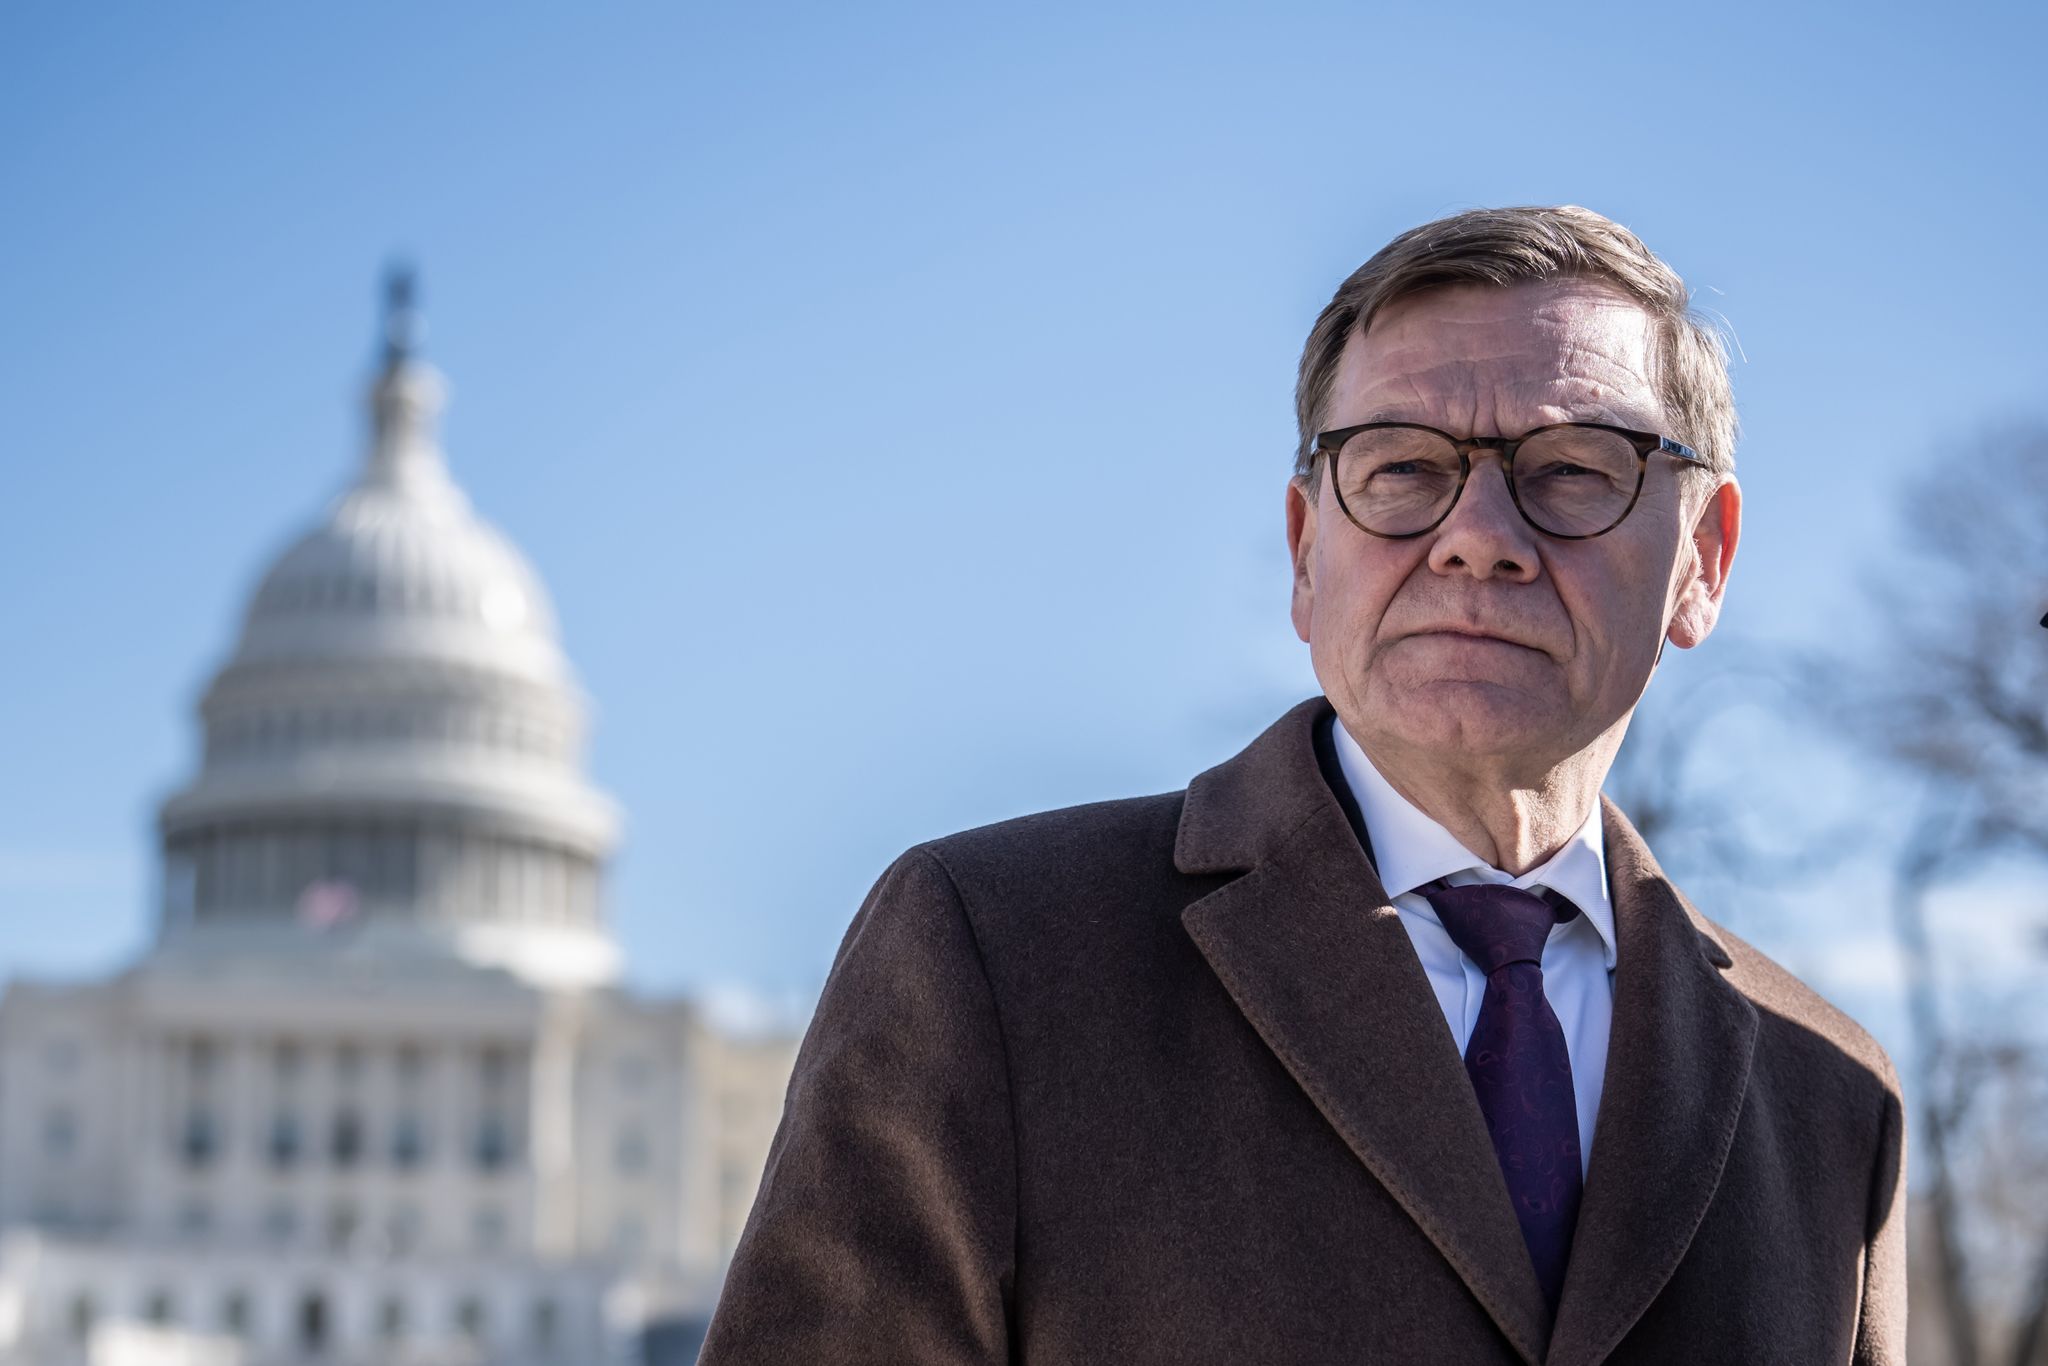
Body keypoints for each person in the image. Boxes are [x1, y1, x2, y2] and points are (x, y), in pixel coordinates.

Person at [697, 205, 1906, 1365]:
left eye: (1575, 468)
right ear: (1303, 551)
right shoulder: (991, 950)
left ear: (1702, 559)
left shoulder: (1830, 1094)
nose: (1477, 535)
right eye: (1401, 465)